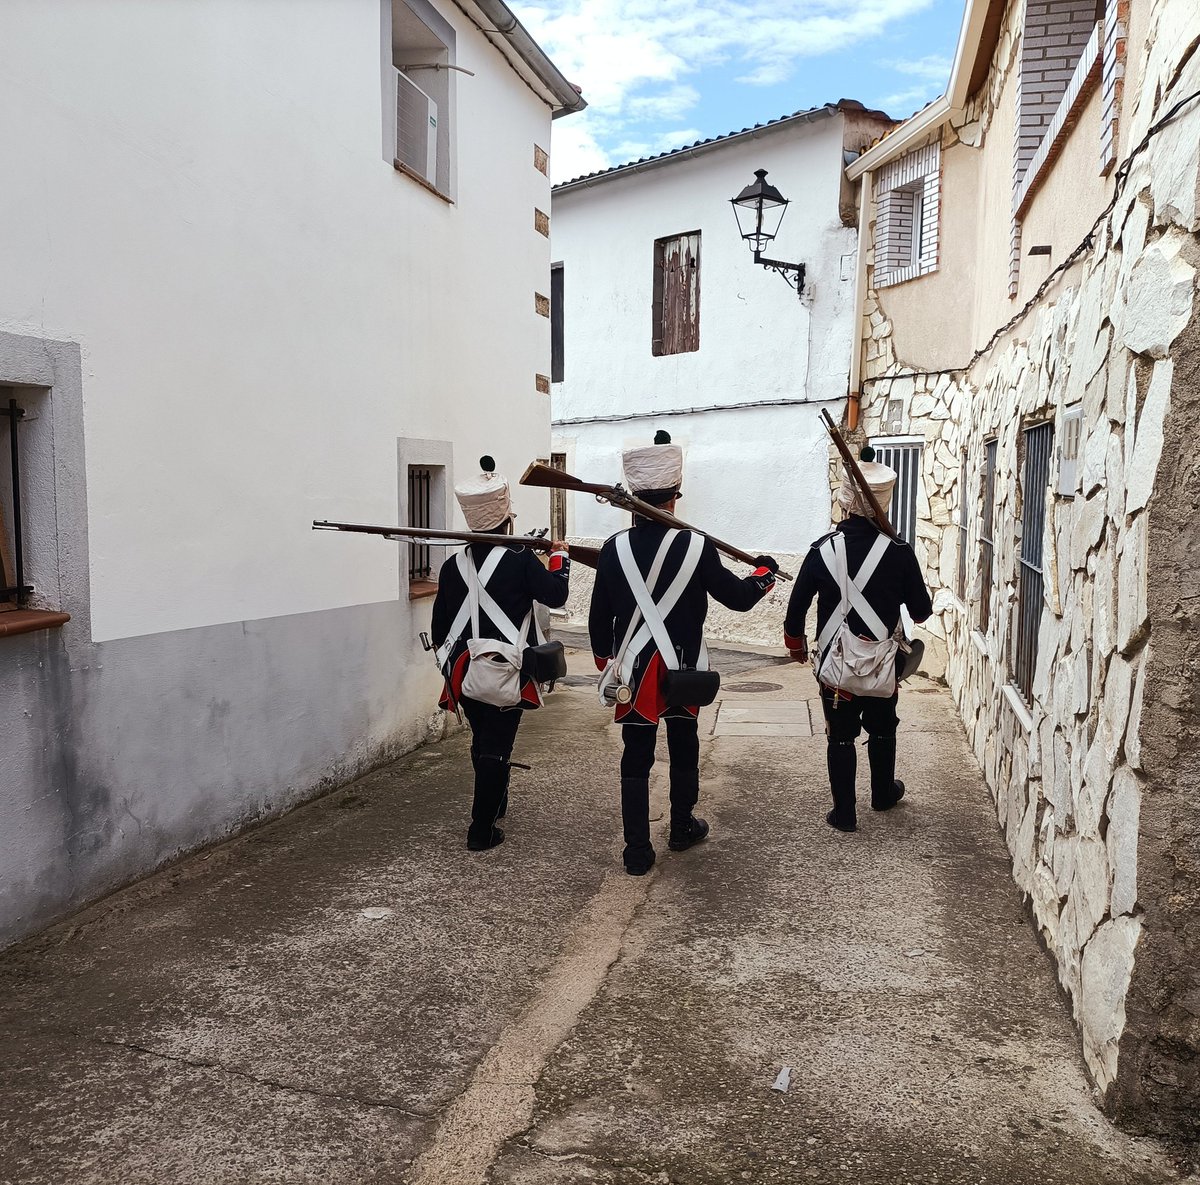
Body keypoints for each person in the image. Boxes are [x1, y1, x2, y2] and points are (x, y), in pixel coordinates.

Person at [588, 431, 779, 875]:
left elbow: (599, 623)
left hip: (634, 671)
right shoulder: (697, 545)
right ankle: (680, 827)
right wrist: (764, 575)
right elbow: (738, 598)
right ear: (673, 497)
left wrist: (608, 664)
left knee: (635, 758)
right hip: (685, 667)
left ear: (635, 497)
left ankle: (636, 852)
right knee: (684, 746)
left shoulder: (614, 549)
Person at [784, 448, 933, 833]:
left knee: (841, 736)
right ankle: (883, 793)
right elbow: (921, 613)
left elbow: (795, 613)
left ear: (846, 501)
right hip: (882, 664)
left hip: (836, 667)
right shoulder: (899, 552)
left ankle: (844, 812)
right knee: (883, 727)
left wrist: (797, 646)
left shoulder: (822, 549)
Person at [431, 455, 569, 851]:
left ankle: (497, 803)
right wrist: (558, 557)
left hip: (463, 669)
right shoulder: (521, 560)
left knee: (481, 741)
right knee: (496, 748)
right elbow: (557, 595)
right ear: (506, 518)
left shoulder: (452, 564)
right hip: (506, 668)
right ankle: (481, 829)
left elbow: (442, 629)